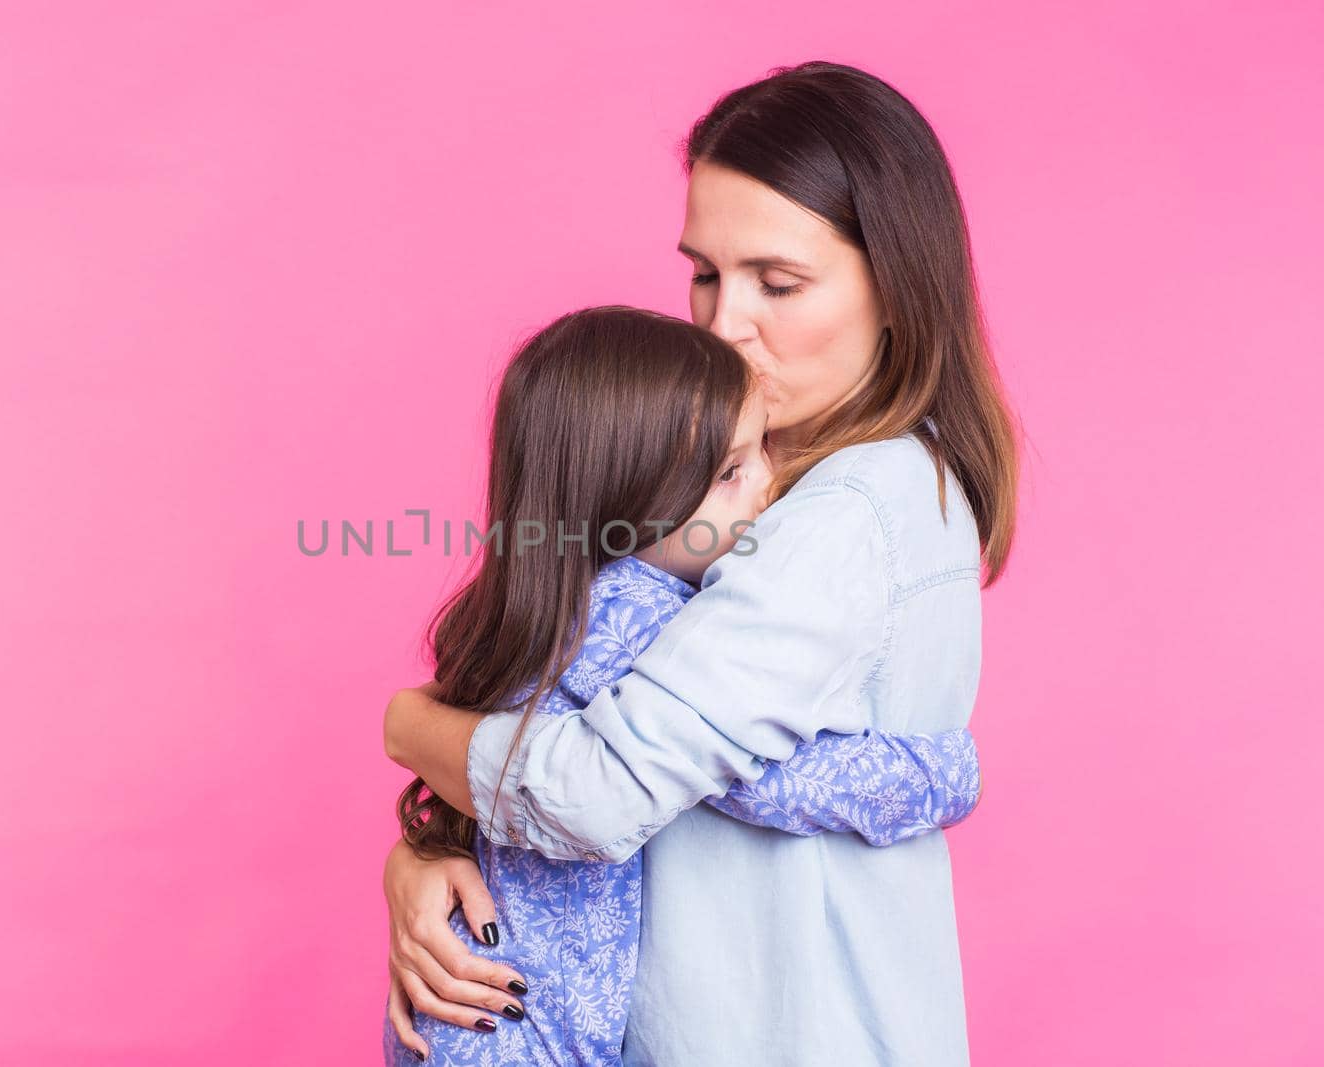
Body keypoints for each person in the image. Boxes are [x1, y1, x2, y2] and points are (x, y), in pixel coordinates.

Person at [383, 61, 1020, 1065]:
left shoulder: (844, 511)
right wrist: (428, 855)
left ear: (897, 284)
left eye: (779, 281)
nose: (725, 321)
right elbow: (573, 709)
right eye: (706, 272)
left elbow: (595, 790)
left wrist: (409, 723)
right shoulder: (753, 493)